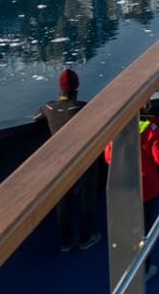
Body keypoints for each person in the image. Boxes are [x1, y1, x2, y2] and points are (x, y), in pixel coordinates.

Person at [35, 68, 100, 252]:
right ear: (76, 87)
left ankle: (66, 241)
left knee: (63, 198)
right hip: (83, 158)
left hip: (59, 161)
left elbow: (36, 117)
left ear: (60, 88)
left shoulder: (49, 108)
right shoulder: (82, 107)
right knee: (87, 195)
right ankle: (86, 237)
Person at [104, 102, 159, 281]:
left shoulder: (116, 129)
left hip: (123, 188)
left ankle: (126, 268)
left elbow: (109, 157)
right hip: (145, 189)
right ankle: (144, 270)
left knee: (126, 228)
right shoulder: (150, 129)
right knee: (143, 230)